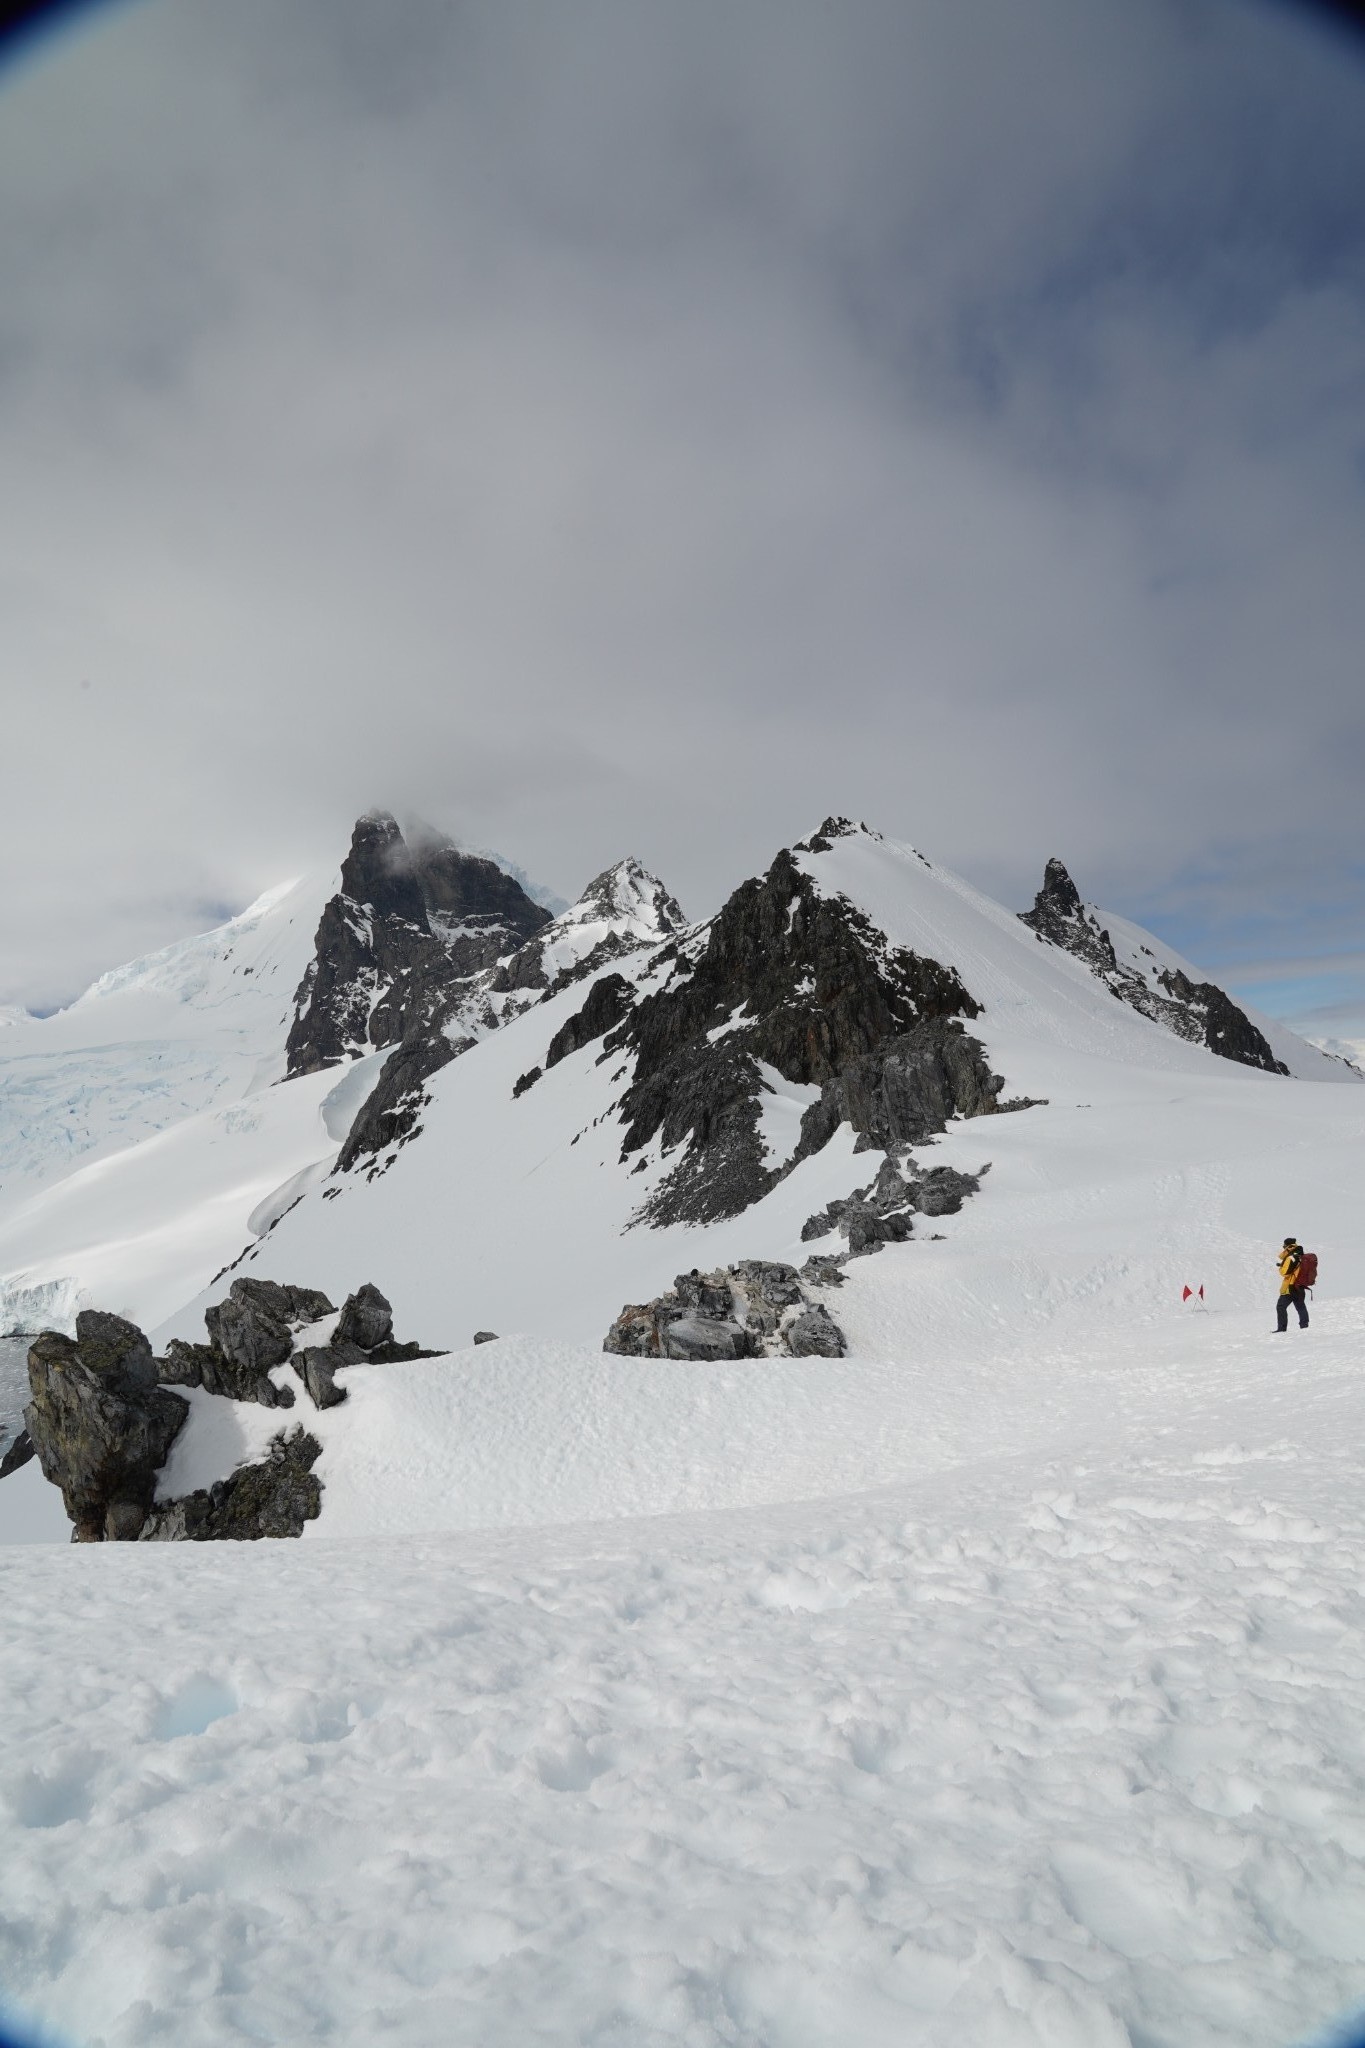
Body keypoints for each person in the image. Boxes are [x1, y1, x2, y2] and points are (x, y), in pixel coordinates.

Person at [1275, 1237, 1309, 1331]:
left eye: (1284, 1246)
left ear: (1287, 1246)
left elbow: (1285, 1273)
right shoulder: (1301, 1255)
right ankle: (1304, 1326)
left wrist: (1280, 1268)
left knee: (1281, 1306)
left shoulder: (1290, 1257)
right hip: (1300, 1285)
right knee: (1300, 1306)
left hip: (1291, 1286)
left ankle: (1281, 1328)